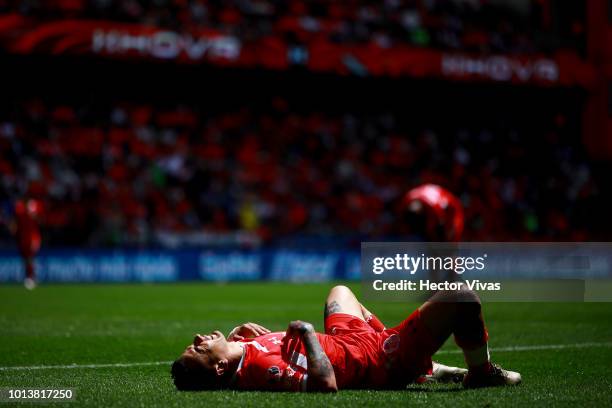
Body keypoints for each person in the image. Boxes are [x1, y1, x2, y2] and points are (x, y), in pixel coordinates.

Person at [171, 285, 521, 392]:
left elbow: (255, 346)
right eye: (198, 348)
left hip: (348, 337)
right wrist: (308, 334)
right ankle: (480, 372)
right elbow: (326, 384)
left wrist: (238, 334)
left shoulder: (240, 349)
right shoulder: (265, 371)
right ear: (218, 369)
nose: (199, 336)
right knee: (462, 298)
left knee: (340, 291)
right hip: (376, 359)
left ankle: (424, 368)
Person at [13, 199, 42, 290]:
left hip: (31, 238)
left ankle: (31, 277)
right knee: (26, 259)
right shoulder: (20, 208)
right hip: (22, 239)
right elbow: (15, 224)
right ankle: (29, 276)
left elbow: (38, 220)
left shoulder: (32, 207)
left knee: (30, 258)